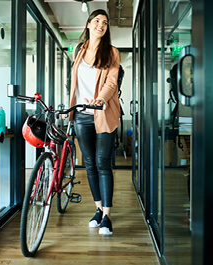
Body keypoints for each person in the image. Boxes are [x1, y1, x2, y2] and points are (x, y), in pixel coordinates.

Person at [68, 9, 121, 235]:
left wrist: (100, 99)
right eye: (97, 20)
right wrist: (69, 107)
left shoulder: (112, 52)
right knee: (89, 163)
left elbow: (111, 82)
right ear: (89, 24)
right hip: (81, 114)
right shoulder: (78, 51)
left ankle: (107, 216)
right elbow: (75, 84)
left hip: (103, 112)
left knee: (102, 163)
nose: (101, 24)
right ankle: (98, 209)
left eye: (105, 22)